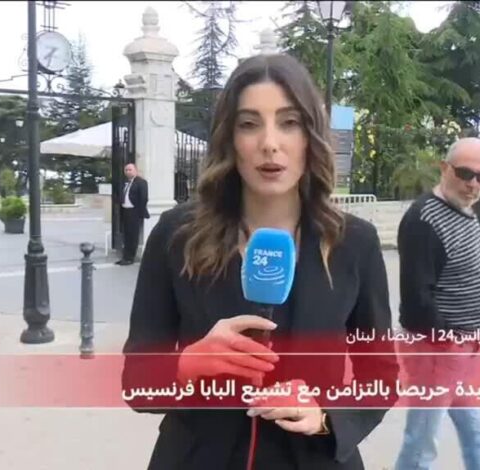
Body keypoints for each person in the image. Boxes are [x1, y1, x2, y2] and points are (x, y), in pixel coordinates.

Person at [121, 53, 398, 470]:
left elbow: (380, 377)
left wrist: (325, 417)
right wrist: (185, 365)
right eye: (249, 124)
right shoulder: (176, 235)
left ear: (310, 136)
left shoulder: (353, 242)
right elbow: (137, 383)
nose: (270, 142)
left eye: (289, 122)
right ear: (230, 139)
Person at [393, 137, 480, 470]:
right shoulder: (424, 220)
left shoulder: (463, 209)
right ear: (444, 168)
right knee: (421, 443)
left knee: (477, 432)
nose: (473, 184)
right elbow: (415, 300)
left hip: (461, 348)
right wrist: (448, 341)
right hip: (438, 350)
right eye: (465, 173)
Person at [117, 163, 149, 265]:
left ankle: (130, 258)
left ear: (135, 170)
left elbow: (144, 198)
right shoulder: (125, 183)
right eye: (126, 170)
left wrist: (139, 212)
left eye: (130, 169)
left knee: (133, 236)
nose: (127, 172)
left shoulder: (141, 182)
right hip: (125, 211)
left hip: (135, 212)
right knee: (126, 235)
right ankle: (125, 257)